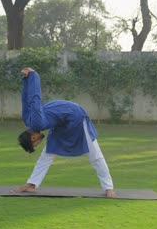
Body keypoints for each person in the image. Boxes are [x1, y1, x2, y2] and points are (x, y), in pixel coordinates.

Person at [12, 67, 116, 198]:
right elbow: (25, 100)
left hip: (76, 117)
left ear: (33, 137)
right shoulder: (28, 119)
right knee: (47, 154)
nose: (39, 142)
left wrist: (33, 76)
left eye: (36, 144)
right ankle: (32, 184)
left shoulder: (37, 123)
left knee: (95, 154)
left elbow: (34, 99)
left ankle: (108, 188)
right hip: (61, 122)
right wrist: (26, 80)